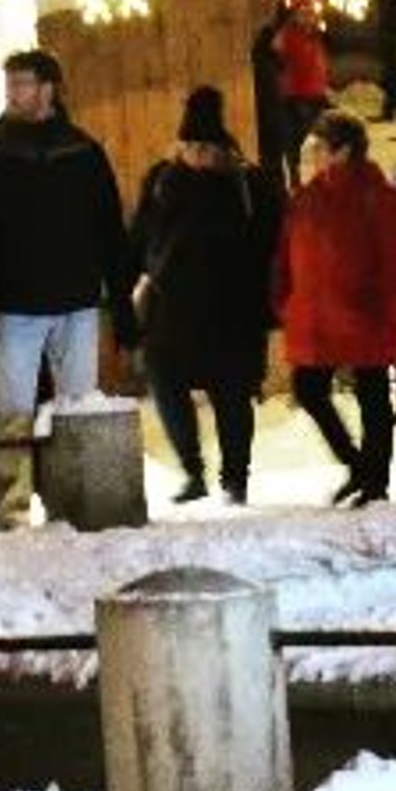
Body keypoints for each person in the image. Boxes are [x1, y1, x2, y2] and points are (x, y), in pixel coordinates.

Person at [0, 47, 133, 513]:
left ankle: (76, 499)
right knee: (12, 413)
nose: (13, 93)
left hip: (76, 299)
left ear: (47, 89)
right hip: (15, 303)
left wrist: (121, 302)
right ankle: (11, 507)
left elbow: (108, 229)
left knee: (76, 407)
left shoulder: (81, 151)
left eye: (22, 83)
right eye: (11, 84)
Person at [132, 87, 276, 505]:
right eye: (189, 145)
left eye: (203, 146)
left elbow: (269, 241)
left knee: (231, 395)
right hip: (172, 308)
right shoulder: (162, 180)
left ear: (219, 146)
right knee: (163, 378)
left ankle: (235, 478)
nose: (195, 153)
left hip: (233, 308)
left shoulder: (246, 183)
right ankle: (193, 470)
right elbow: (141, 236)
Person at [276, 115, 396, 506]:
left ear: (343, 151)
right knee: (309, 389)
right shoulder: (307, 198)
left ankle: (375, 482)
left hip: (364, 311)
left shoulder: (381, 198)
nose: (313, 156)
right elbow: (287, 254)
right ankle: (358, 465)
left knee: (372, 395)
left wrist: (382, 302)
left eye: (319, 148)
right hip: (318, 314)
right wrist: (284, 296)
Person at [254, 0, 336, 188]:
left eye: (311, 12)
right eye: (304, 12)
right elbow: (274, 54)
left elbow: (320, 64)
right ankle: (297, 181)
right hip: (296, 99)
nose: (309, 16)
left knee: (324, 143)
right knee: (296, 145)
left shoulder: (316, 34)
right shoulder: (287, 34)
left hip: (316, 96)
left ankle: (321, 179)